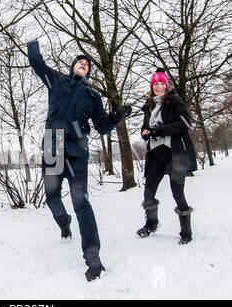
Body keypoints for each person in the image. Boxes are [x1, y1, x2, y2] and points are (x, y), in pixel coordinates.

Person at [27, 40, 131, 281]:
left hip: (76, 150)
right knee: (52, 197)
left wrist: (115, 117)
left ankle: (93, 256)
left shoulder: (93, 96)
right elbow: (37, 63)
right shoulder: (57, 81)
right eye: (80, 61)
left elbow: (102, 127)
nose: (83, 63)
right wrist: (33, 44)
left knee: (81, 202)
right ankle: (64, 222)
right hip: (54, 145)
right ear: (73, 66)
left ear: (88, 72)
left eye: (87, 64)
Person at [137, 68, 197, 245]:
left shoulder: (174, 100)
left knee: (177, 192)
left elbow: (186, 123)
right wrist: (146, 133)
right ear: (152, 86)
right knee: (148, 191)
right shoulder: (149, 106)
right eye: (156, 84)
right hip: (156, 154)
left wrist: (160, 130)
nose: (160, 86)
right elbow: (144, 127)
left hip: (174, 153)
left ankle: (186, 232)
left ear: (167, 85)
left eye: (163, 83)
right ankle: (151, 223)